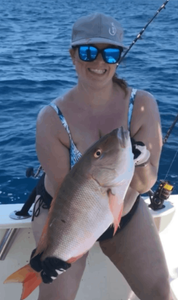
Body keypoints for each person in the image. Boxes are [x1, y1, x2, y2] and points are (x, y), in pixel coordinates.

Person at [31, 13, 171, 300]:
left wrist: (141, 159)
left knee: (160, 293)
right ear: (72, 56)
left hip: (125, 212)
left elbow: (144, 186)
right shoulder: (51, 119)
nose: (98, 62)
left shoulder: (142, 106)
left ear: (118, 58)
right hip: (66, 217)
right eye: (87, 52)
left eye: (110, 53)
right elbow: (66, 196)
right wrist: (53, 250)